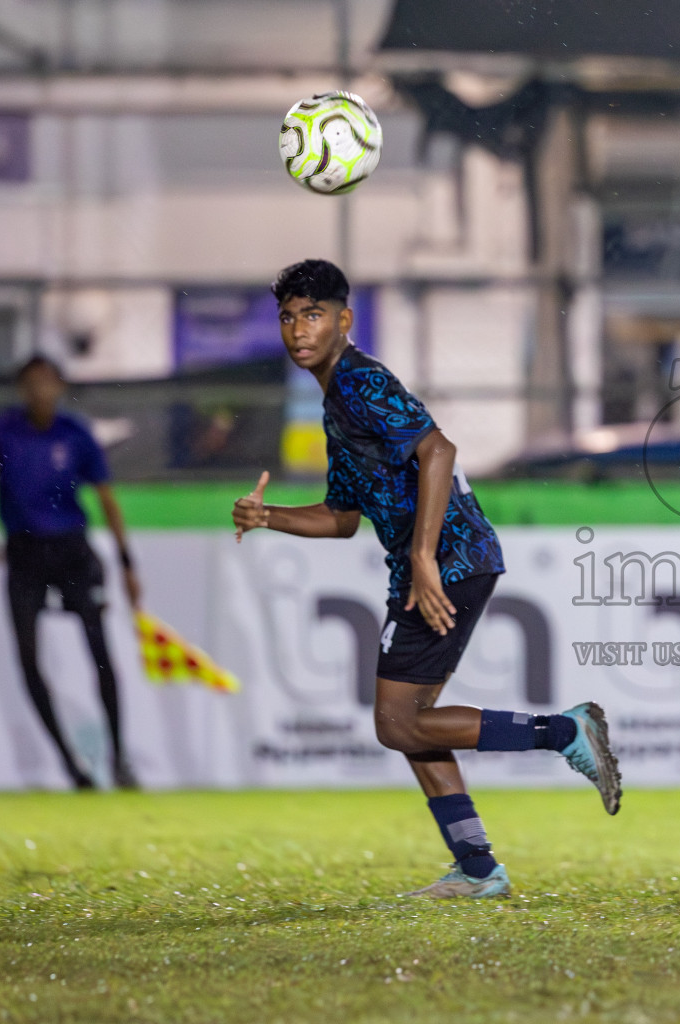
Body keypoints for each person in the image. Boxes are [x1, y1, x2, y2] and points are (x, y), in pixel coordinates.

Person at [230, 259, 621, 899]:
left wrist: (423, 557)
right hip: (440, 560)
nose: (299, 329)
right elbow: (342, 518)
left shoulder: (361, 380)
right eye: (288, 317)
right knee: (411, 720)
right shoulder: (336, 402)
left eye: (314, 314)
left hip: (449, 561)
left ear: (344, 320)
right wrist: (266, 515)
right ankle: (476, 867)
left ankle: (565, 731)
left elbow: (438, 449)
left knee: (398, 723)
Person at [0, 356, 141, 790]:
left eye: (47, 383)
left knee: (99, 652)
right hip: (24, 553)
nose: (40, 392)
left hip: (72, 552)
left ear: (60, 387)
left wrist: (126, 563)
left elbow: (106, 498)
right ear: (20, 389)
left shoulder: (76, 433)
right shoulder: (1, 432)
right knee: (28, 658)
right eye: (31, 384)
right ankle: (71, 765)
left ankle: (119, 758)